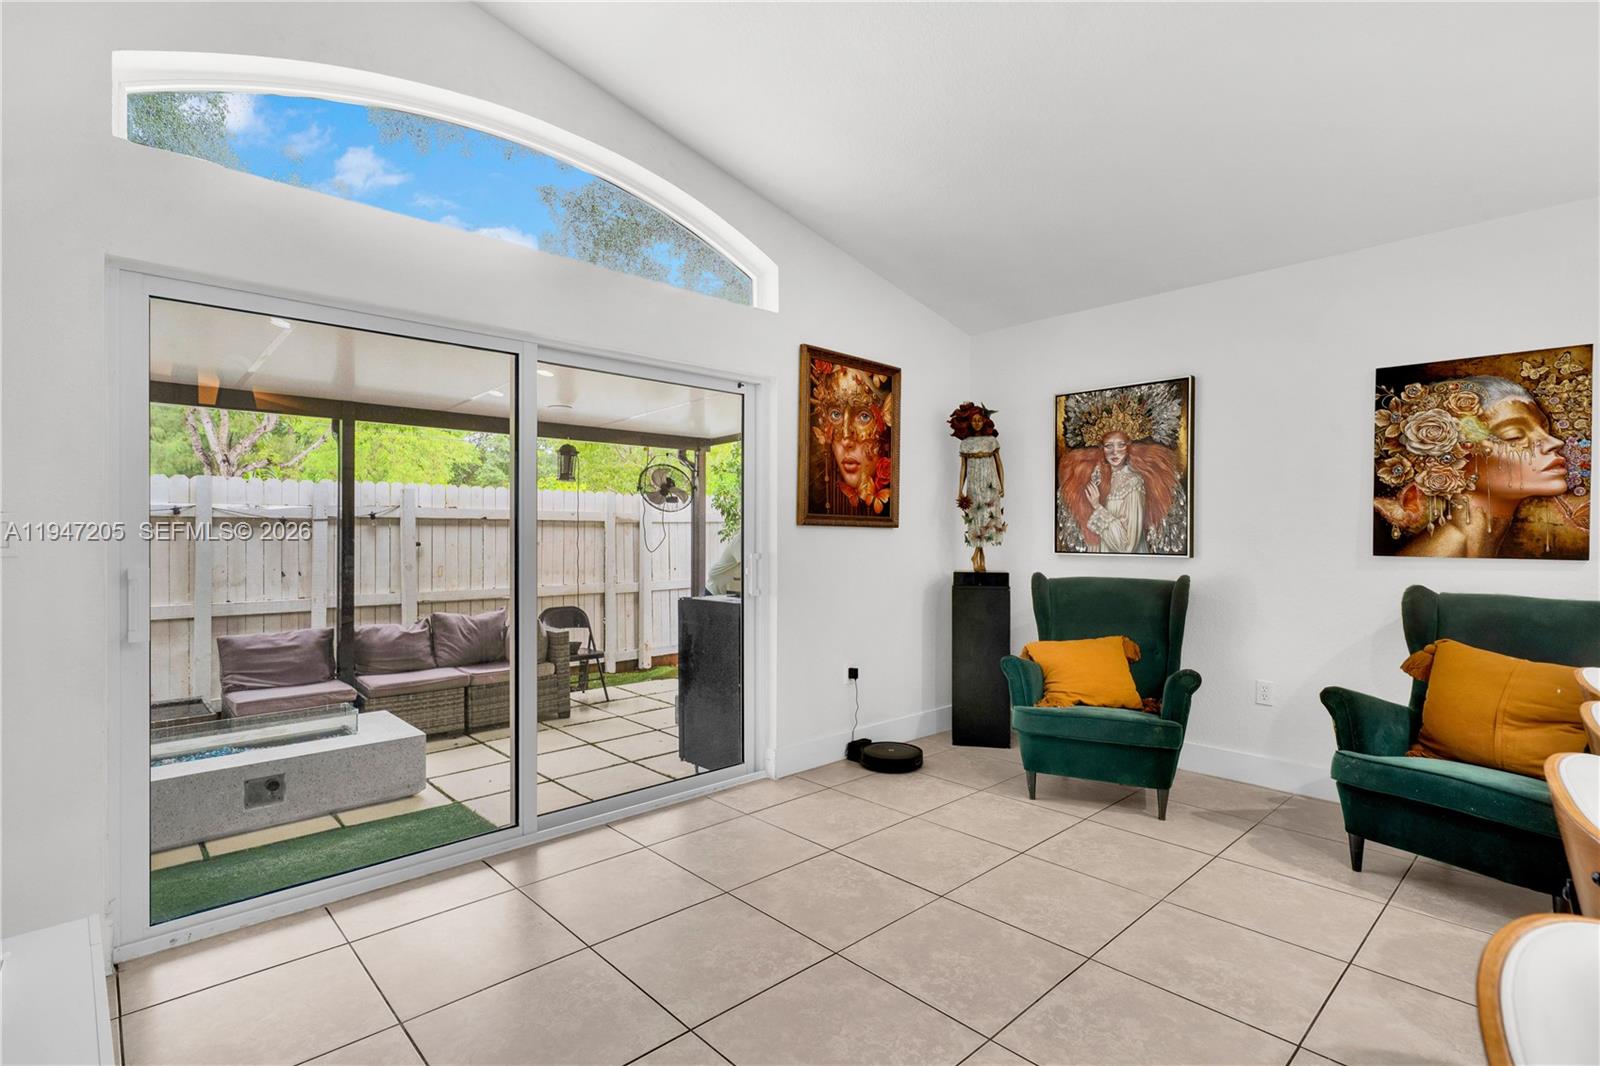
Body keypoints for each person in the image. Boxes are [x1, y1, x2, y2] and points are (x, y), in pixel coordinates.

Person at [1375, 375, 1573, 557]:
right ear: (1451, 461)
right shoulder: (1444, 553)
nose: (1554, 443)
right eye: (1514, 436)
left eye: (1545, 429)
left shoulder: (1475, 547)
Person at [949, 402, 1006, 571]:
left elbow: (999, 464)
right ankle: (977, 553)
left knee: (988, 517)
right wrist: (960, 488)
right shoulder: (966, 443)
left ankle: (980, 554)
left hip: (989, 483)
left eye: (979, 420)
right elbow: (963, 468)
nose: (977, 423)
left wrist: (1002, 484)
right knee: (975, 518)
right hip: (974, 484)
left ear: (984, 421)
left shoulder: (991, 441)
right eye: (973, 420)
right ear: (969, 422)